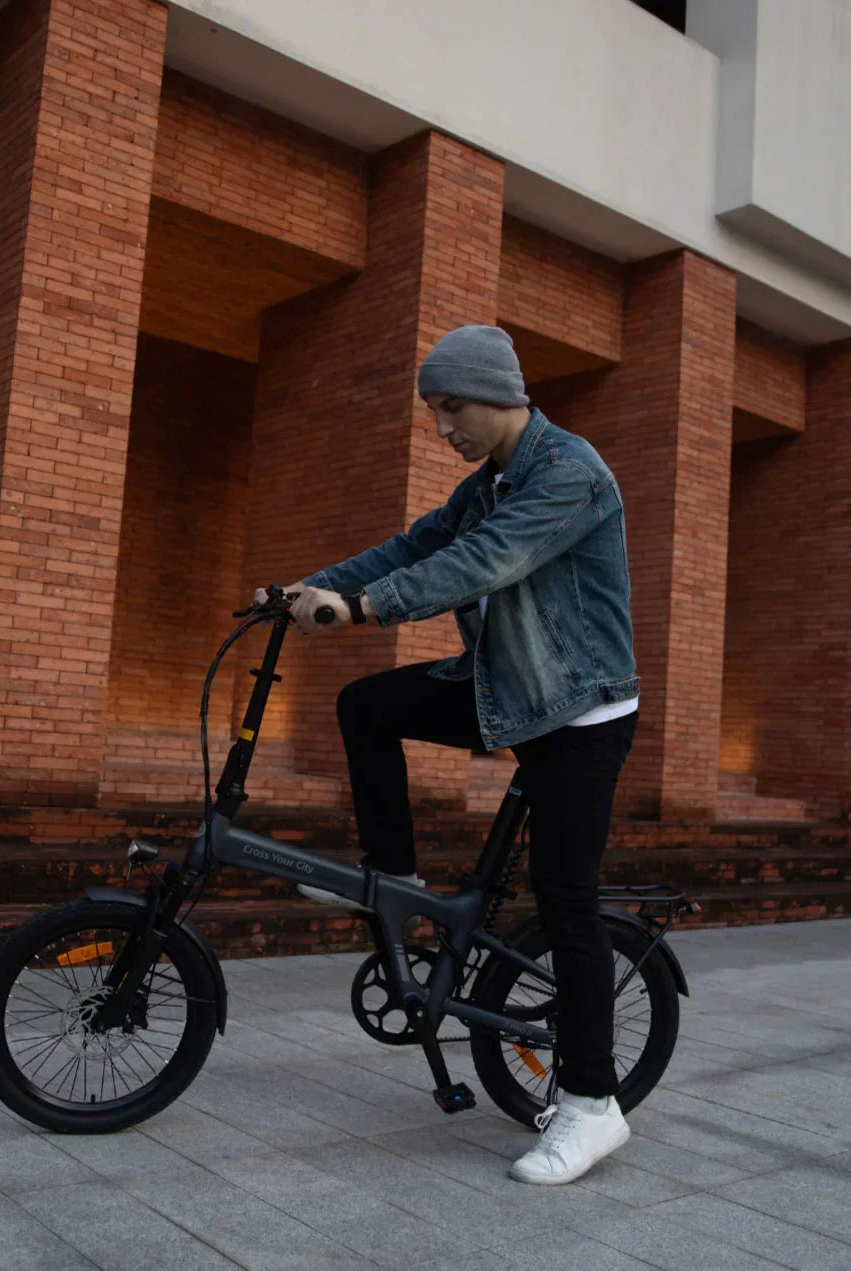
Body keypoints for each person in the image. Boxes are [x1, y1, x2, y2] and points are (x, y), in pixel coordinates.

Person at [257, 324, 639, 1186]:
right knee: (367, 704)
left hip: (577, 712)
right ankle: (390, 873)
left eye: (450, 408)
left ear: (497, 392)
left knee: (566, 901)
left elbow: (483, 562)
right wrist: (303, 589)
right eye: (435, 412)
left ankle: (590, 1105)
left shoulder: (567, 472)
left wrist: (362, 610)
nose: (442, 428)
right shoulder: (487, 483)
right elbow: (414, 546)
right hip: (509, 689)